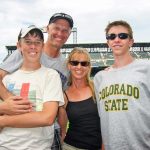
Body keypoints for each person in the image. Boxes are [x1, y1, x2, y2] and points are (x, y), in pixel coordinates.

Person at [0, 12, 73, 150]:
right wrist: (10, 102)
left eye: (65, 30)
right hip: (11, 138)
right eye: (56, 28)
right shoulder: (25, 52)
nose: (60, 33)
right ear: (48, 28)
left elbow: (59, 105)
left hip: (46, 131)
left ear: (69, 34)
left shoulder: (65, 65)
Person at [94, 20, 150, 150]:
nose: (117, 39)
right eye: (111, 36)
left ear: (131, 41)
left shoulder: (146, 68)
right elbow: (104, 118)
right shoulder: (99, 78)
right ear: (108, 43)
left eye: (122, 36)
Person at [58, 47, 102, 150]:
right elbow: (62, 130)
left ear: (88, 67)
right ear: (69, 65)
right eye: (75, 63)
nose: (79, 67)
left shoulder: (97, 88)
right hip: (71, 146)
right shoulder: (64, 95)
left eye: (84, 63)